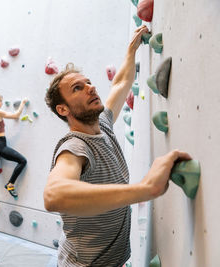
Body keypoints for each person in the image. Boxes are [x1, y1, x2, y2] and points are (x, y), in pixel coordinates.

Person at [43, 25, 192, 267]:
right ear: (63, 109)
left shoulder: (103, 123)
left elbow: (121, 83)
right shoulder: (74, 148)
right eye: (77, 88)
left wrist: (131, 51)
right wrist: (146, 188)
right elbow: (53, 195)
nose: (91, 87)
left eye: (88, 82)